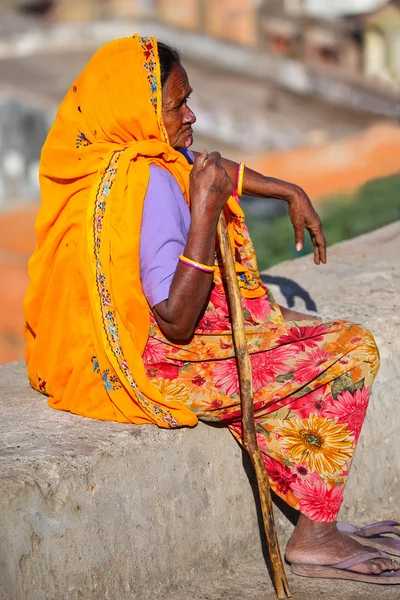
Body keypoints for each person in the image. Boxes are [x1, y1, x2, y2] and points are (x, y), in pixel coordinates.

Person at [24, 35, 400, 585]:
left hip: (152, 338)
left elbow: (206, 166)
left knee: (293, 328)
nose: (191, 113)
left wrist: (286, 189)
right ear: (140, 110)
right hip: (164, 361)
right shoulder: (143, 186)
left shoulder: (128, 156)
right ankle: (314, 537)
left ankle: (313, 506)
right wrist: (204, 212)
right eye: (177, 105)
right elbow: (176, 322)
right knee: (351, 349)